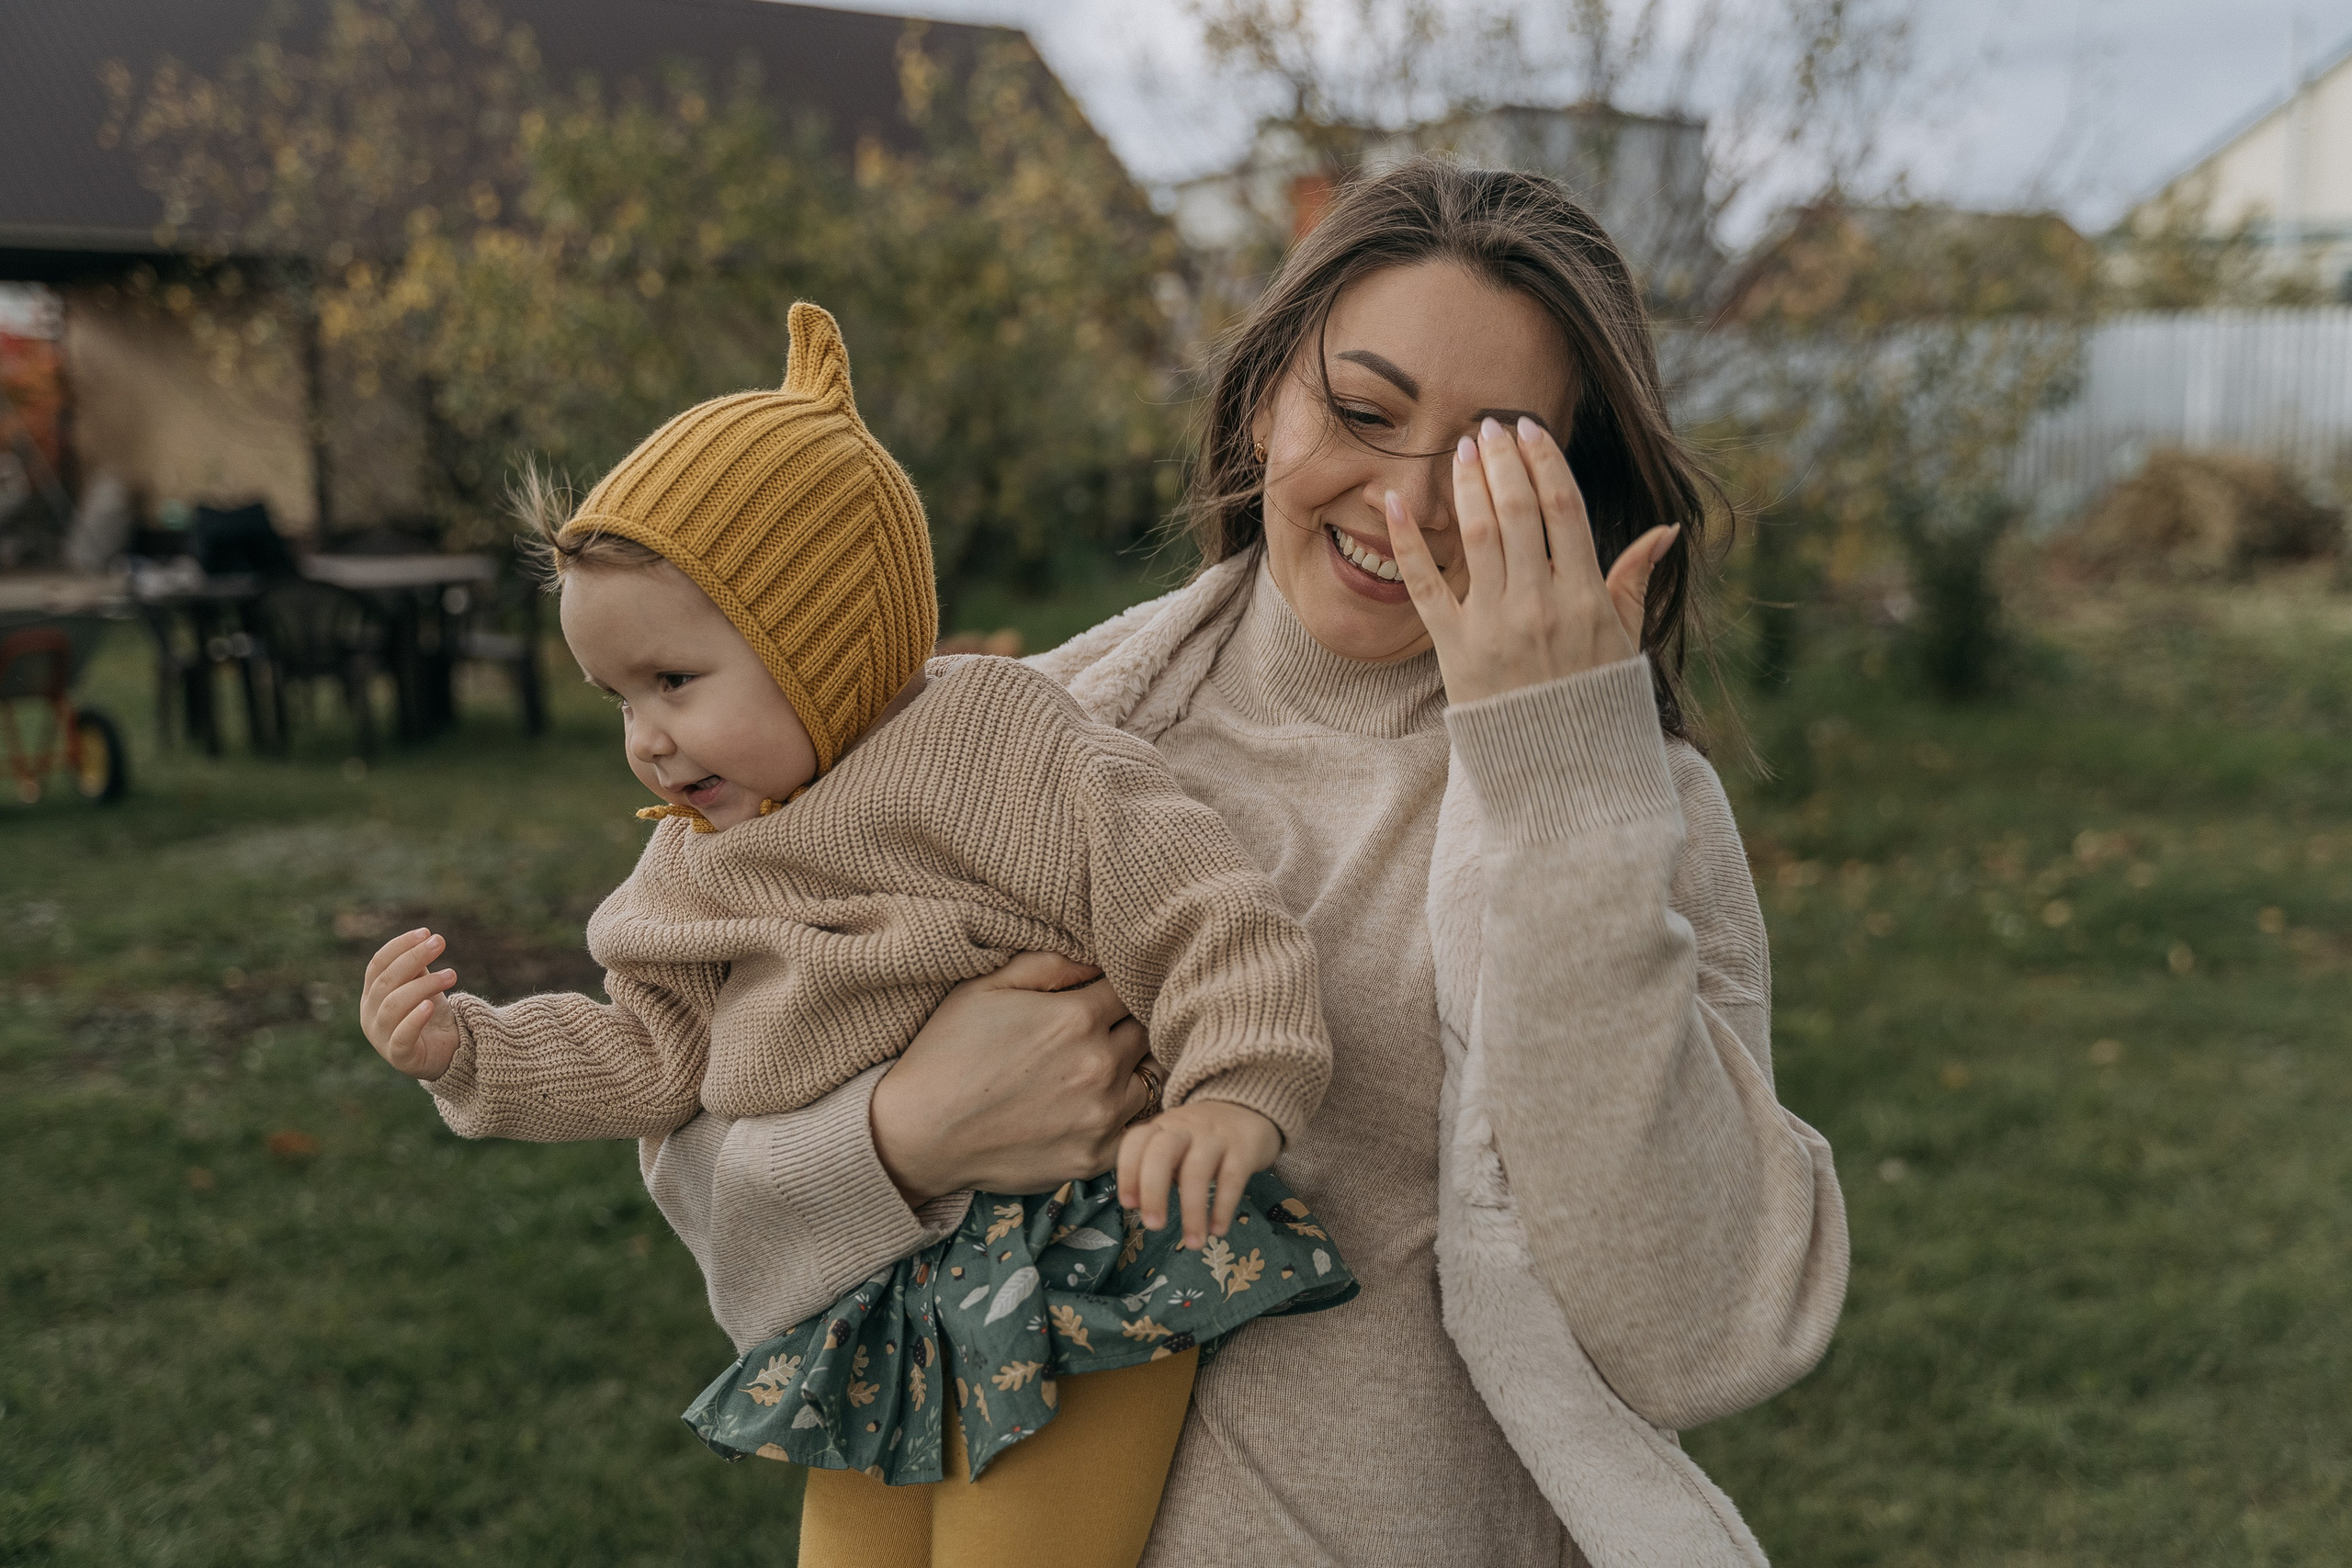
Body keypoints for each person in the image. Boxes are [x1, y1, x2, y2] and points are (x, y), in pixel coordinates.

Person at [648, 160, 1851, 1568]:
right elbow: (709, 1167)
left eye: (1492, 452)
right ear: (1265, 395)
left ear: (1568, 491)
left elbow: (1699, 1332)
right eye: (1361, 411)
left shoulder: (1626, 811)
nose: (1410, 503)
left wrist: (1564, 789)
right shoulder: (1012, 740)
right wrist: (902, 1137)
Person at [355, 303, 1356, 1565]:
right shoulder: (694, 869)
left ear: (820, 642)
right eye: (618, 698)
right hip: (872, 1287)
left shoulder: (1002, 746)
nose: (645, 739)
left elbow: (1200, 906)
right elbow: (652, 1056)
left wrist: (1237, 1091)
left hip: (1077, 1254)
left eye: (675, 682)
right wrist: (473, 1056)